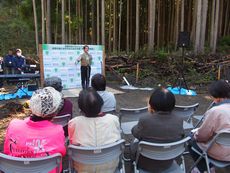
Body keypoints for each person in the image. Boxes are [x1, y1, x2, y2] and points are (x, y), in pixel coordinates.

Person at [4, 87, 66, 173]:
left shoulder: (13, 125)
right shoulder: (58, 130)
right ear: (54, 112)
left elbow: (7, 151)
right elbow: (61, 153)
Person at [131, 87, 184, 172]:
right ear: (173, 105)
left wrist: (149, 114)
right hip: (168, 161)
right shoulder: (179, 120)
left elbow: (135, 133)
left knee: (134, 143)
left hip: (145, 163)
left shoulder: (145, 119)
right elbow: (181, 135)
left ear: (151, 104)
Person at [68, 88, 121, 172]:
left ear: (80, 108)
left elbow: (72, 142)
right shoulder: (113, 119)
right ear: (101, 104)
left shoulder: (74, 123)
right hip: (110, 167)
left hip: (82, 168)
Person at [189, 80, 230, 173]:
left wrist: (194, 135)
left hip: (220, 154)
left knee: (190, 141)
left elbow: (202, 136)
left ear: (217, 98)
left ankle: (206, 169)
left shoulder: (216, 111)